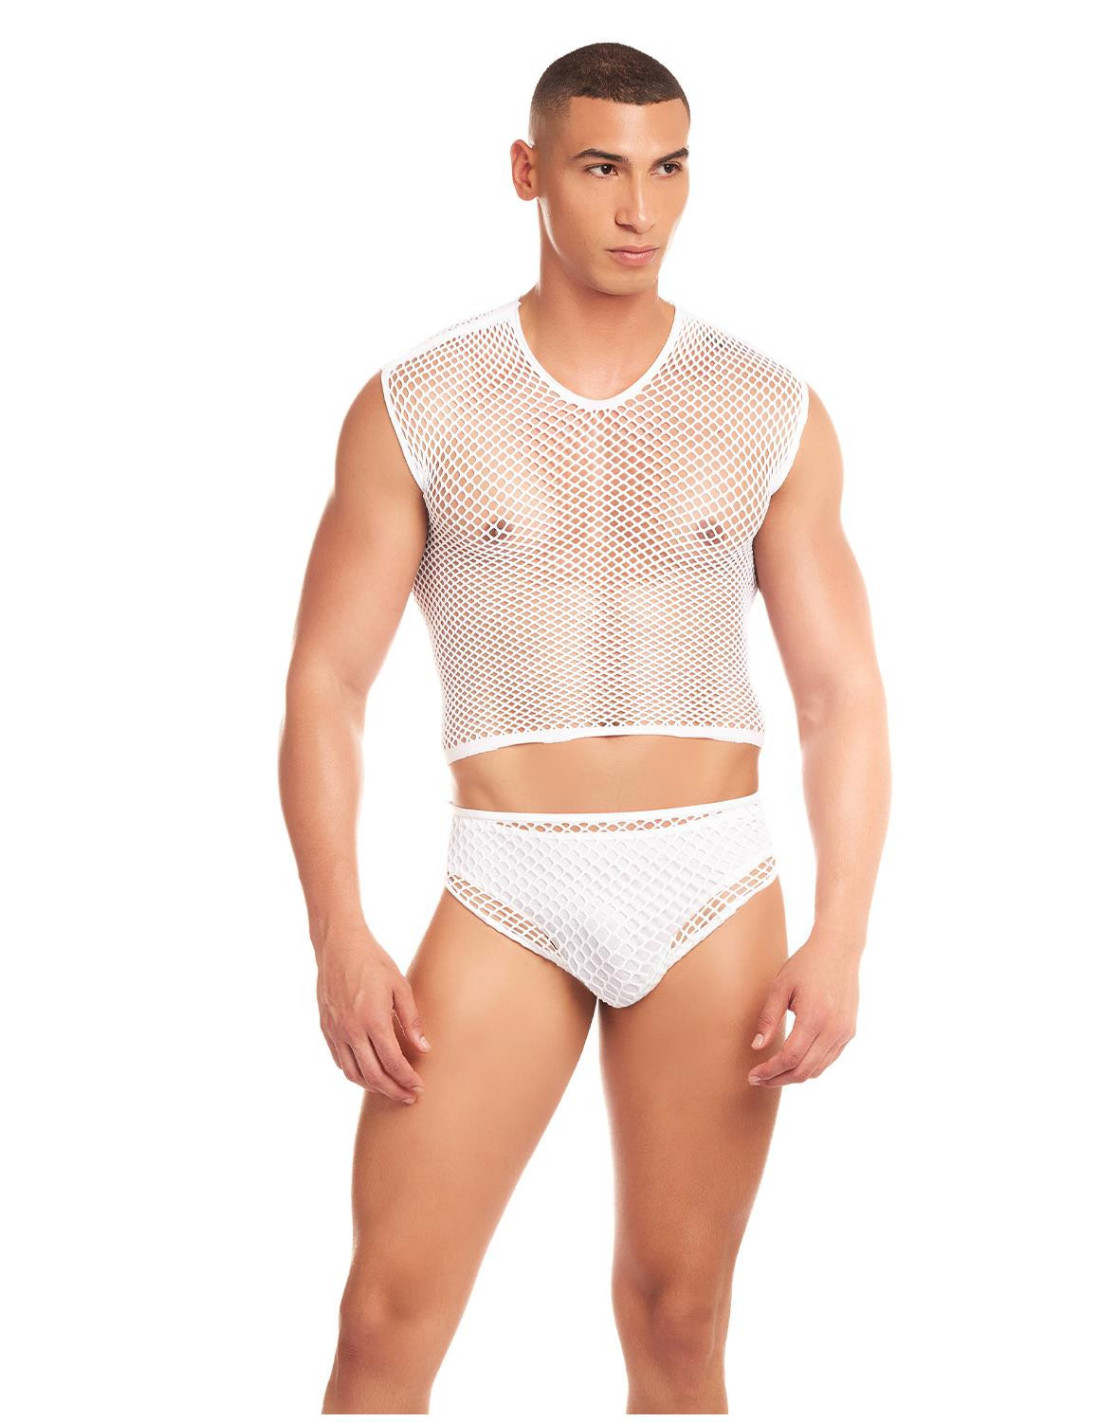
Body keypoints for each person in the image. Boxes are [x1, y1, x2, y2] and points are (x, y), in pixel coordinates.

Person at [279, 39, 890, 1417]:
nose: (639, 209)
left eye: (669, 170)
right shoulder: (419, 405)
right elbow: (325, 683)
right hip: (510, 885)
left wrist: (842, 932)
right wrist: (338, 934)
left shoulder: (768, 406)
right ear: (529, 171)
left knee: (679, 1317)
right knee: (384, 1321)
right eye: (603, 168)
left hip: (713, 882)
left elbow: (840, 694)